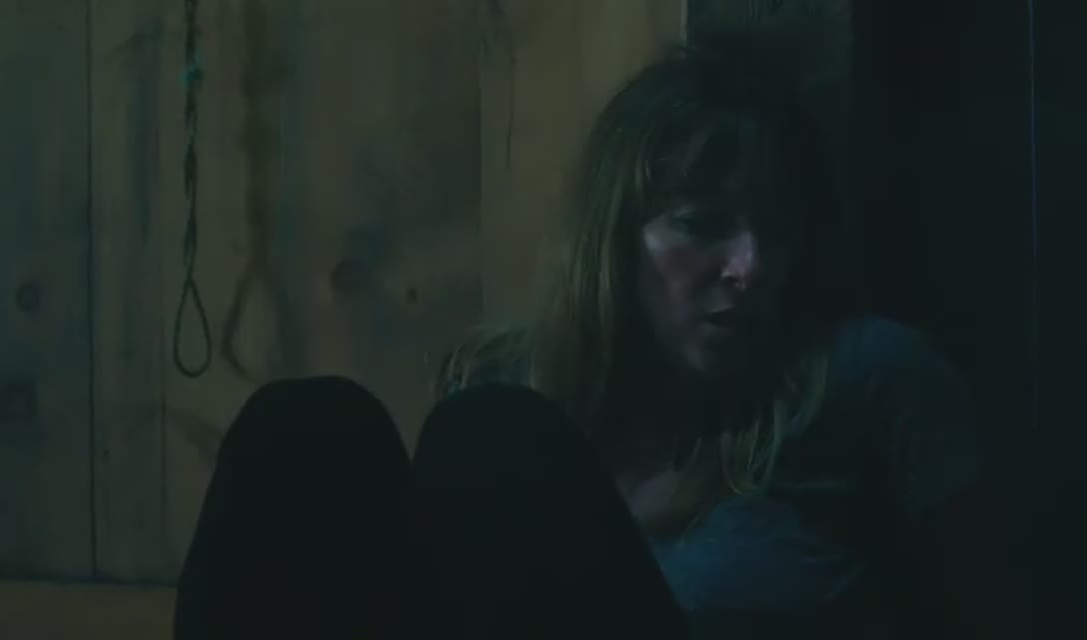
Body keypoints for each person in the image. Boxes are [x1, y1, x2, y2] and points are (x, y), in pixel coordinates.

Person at [174, 27, 1021, 639]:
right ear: (614, 244)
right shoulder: (509, 387)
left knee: (492, 436)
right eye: (702, 226)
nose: (751, 266)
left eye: (777, 231)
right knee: (307, 428)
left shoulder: (869, 377)